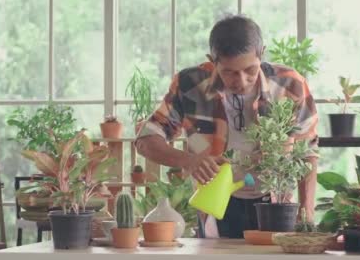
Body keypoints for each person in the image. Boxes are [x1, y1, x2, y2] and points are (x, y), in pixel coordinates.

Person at [135, 15, 318, 239]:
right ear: (212, 60)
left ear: (262, 52)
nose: (241, 80)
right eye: (229, 72)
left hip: (276, 204)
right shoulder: (189, 85)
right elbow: (145, 140)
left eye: (250, 70)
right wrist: (189, 161)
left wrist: (306, 214)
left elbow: (307, 152)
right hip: (215, 204)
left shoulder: (290, 84)